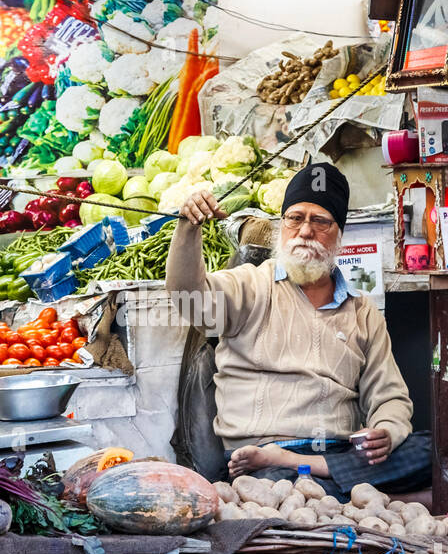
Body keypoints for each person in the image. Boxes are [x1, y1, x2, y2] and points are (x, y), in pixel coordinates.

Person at [166, 161, 431, 502]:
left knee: (432, 453)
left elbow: (390, 397)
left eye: (320, 221)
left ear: (339, 234)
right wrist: (188, 228)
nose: (305, 231)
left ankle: (323, 480)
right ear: (282, 227)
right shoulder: (251, 285)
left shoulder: (362, 311)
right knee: (279, 485)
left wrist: (386, 431)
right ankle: (363, 495)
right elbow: (189, 300)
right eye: (295, 218)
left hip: (335, 454)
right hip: (262, 460)